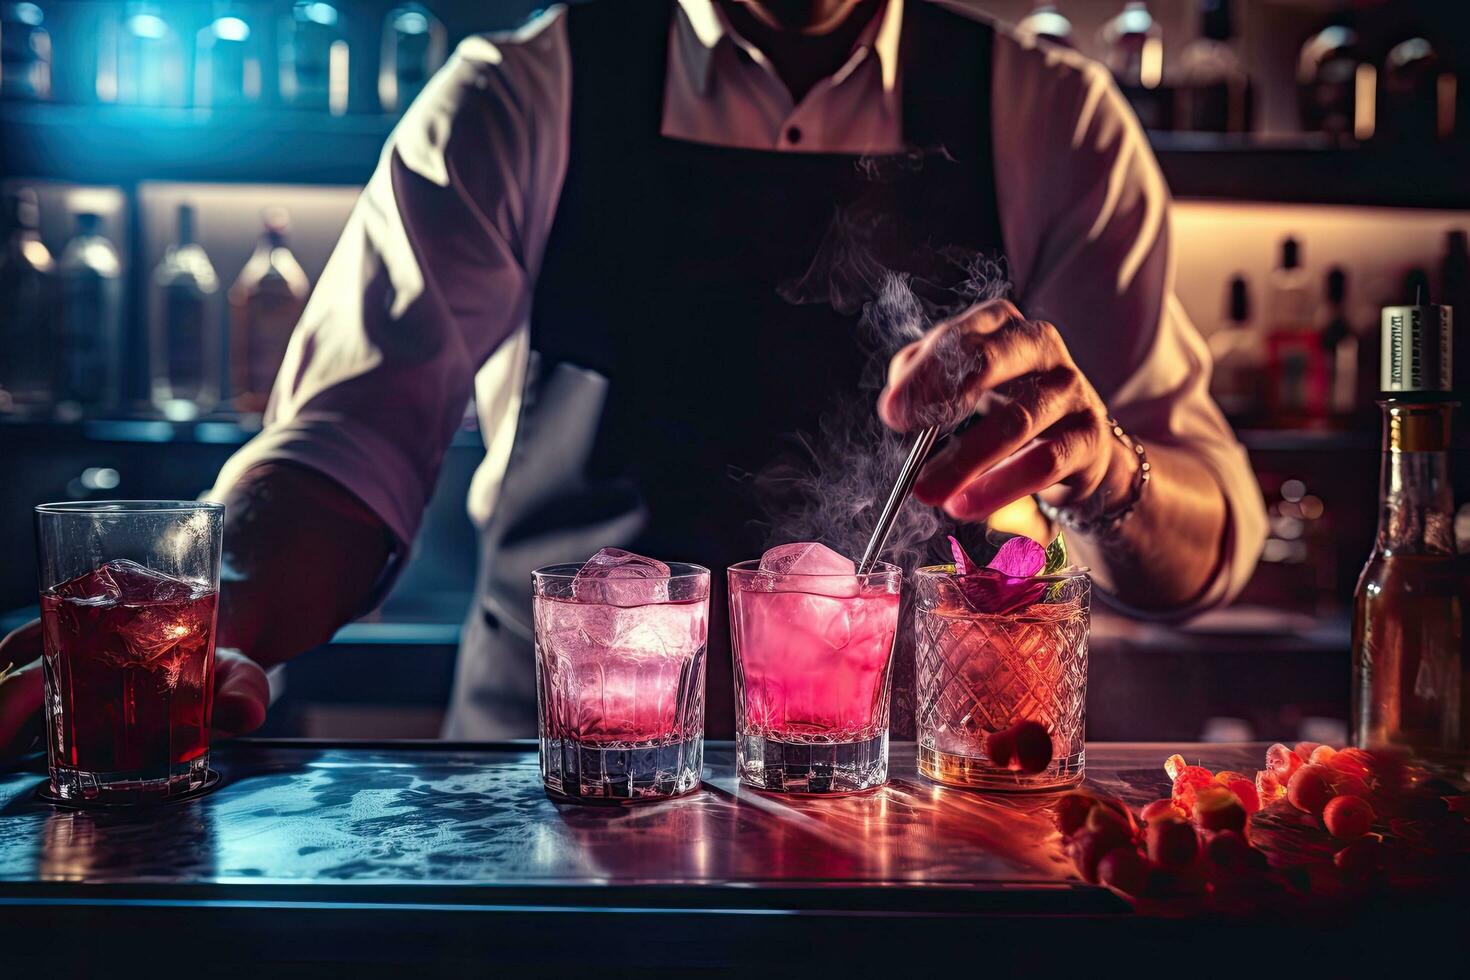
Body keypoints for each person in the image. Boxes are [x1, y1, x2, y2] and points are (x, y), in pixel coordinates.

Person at [0, 0, 1266, 753]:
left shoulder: (1054, 118)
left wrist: (1108, 474)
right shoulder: (516, 98)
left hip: (915, 833)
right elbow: (341, 458)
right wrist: (187, 629)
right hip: (553, 805)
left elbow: (1203, 548)